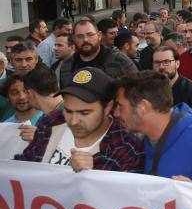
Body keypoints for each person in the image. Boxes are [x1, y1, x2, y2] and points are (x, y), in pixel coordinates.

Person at [16, 67, 144, 172]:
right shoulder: (52, 121)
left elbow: (122, 197)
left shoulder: (126, 148)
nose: (73, 121)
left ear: (107, 107)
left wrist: (94, 175)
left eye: (84, 113)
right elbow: (25, 163)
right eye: (68, 111)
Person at [56, 20, 138, 87]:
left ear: (99, 36)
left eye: (90, 35)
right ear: (74, 39)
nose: (85, 40)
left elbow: (136, 92)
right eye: (80, 36)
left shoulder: (120, 61)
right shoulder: (67, 66)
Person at [151, 46, 192, 123]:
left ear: (177, 63)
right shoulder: (150, 90)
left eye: (166, 62)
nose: (161, 67)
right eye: (157, 63)